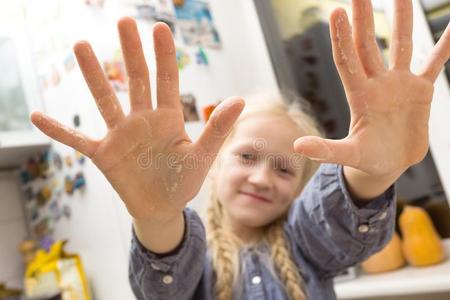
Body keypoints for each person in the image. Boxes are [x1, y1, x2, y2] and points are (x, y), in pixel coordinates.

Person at [30, 0, 450, 299]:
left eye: (285, 170)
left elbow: (338, 223)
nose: (262, 177)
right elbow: (162, 286)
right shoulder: (193, 256)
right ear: (214, 163)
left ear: (302, 187)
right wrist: (156, 219)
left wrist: (375, 174)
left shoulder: (304, 241)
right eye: (248, 156)